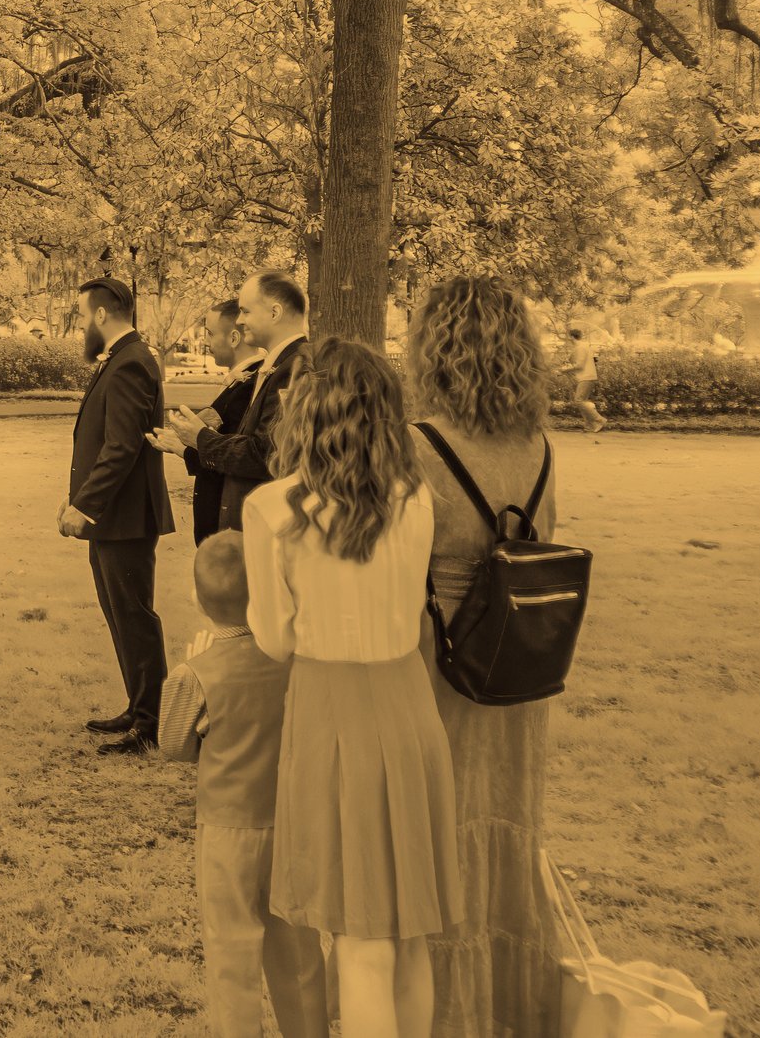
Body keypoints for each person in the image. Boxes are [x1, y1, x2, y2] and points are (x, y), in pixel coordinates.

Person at [243, 337, 460, 1038]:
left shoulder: (273, 508)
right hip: (408, 707)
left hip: (332, 712)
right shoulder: (418, 496)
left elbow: (274, 639)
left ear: (304, 409)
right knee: (407, 936)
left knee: (362, 947)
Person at [407, 277, 566, 1038]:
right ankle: (510, 1005)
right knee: (505, 818)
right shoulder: (538, 447)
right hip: (520, 662)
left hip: (440, 659)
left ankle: (451, 1012)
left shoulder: (420, 443)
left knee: (446, 827)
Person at [159, 532, 329, 1038]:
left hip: (227, 828)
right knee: (298, 945)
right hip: (291, 822)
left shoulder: (196, 673)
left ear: (196, 599)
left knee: (230, 946)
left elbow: (173, 746)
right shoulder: (296, 660)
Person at [59, 275, 172, 754]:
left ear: (101, 314)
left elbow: (122, 445)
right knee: (119, 613)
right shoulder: (124, 358)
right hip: (115, 517)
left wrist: (86, 504)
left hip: (124, 516)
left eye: (83, 314)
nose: (82, 323)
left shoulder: (131, 362)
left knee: (134, 616)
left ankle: (152, 722)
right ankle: (139, 704)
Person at [163, 273, 309, 532]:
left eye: (246, 311)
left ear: (275, 312)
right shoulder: (279, 365)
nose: (240, 321)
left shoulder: (295, 367)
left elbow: (266, 452)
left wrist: (200, 437)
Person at [153, 298, 261, 541]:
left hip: (227, 526)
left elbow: (235, 455)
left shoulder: (251, 385)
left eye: (210, 334)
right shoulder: (240, 382)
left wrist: (185, 447)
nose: (206, 342)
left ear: (234, 338)